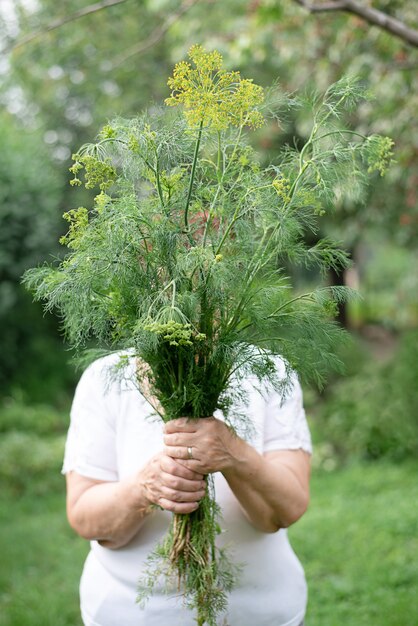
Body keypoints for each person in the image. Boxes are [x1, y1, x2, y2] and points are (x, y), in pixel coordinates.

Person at [63, 351, 312, 626]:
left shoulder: (271, 370)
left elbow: (286, 508)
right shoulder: (104, 377)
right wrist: (144, 487)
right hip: (129, 614)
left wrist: (233, 452)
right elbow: (84, 515)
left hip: (261, 613)